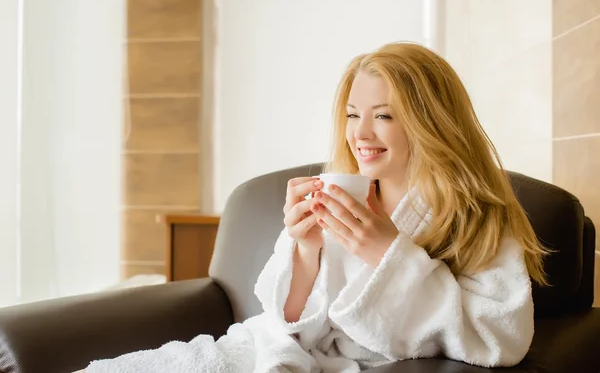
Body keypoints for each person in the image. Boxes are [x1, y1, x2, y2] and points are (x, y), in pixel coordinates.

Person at [80, 42, 548, 372]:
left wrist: (391, 256)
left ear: (432, 122)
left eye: (383, 115)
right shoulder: (343, 194)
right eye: (351, 115)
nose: (360, 134)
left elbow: (500, 337)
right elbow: (287, 324)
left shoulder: (479, 218)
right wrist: (304, 250)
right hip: (269, 354)